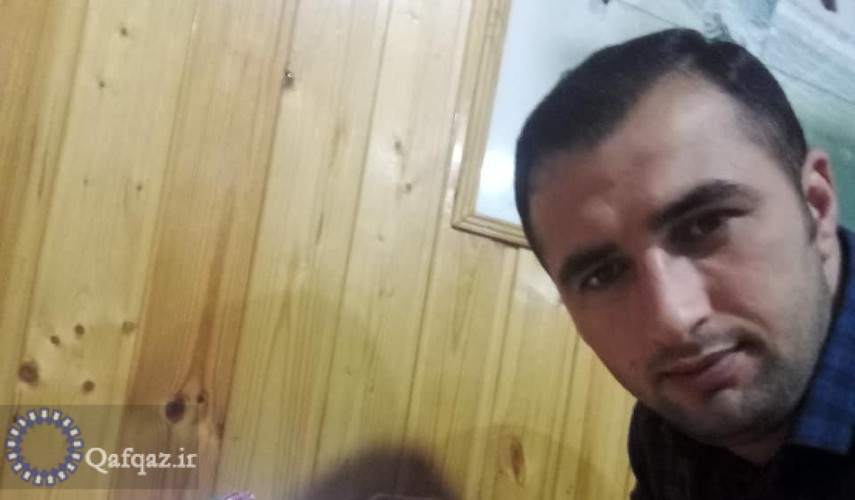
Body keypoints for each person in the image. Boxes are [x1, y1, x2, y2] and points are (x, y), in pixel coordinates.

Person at [514, 28, 855, 499]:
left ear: (816, 205)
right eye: (602, 275)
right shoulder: (670, 423)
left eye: (705, 225)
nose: (672, 320)